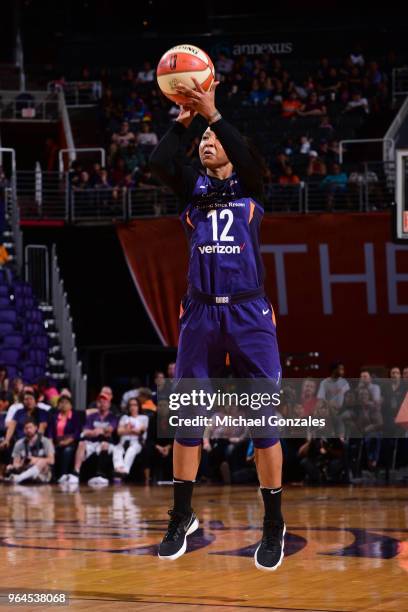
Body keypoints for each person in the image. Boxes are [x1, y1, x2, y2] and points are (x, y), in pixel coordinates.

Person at [150, 78, 285, 570]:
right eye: (203, 143)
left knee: (264, 425)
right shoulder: (193, 187)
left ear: (231, 148)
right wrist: (186, 122)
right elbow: (160, 163)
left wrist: (214, 115)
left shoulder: (250, 184)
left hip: (249, 313)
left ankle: (274, 523)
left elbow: (248, 162)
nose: (208, 143)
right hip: (201, 313)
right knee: (187, 419)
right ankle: (181, 515)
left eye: (214, 140)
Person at [68, 396, 117, 486]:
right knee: (81, 443)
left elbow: (110, 430)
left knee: (104, 444)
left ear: (109, 404)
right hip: (91, 442)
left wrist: (98, 431)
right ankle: (76, 473)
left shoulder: (112, 417)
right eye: (100, 402)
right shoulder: (92, 416)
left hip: (106, 442)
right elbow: (85, 431)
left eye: (104, 402)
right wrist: (98, 431)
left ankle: (100, 474)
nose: (102, 404)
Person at [5, 418, 54, 484]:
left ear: (36, 428)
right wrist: (22, 464)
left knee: (42, 462)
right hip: (25, 469)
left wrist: (35, 460)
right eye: (26, 428)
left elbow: (52, 460)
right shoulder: (19, 443)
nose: (28, 430)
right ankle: (23, 477)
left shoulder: (45, 441)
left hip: (43, 472)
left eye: (30, 427)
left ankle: (19, 478)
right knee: (9, 466)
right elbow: (15, 463)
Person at [113, 397, 149, 478]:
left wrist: (126, 429)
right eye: (130, 405)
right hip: (123, 442)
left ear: (138, 406)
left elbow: (140, 431)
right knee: (116, 449)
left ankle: (125, 470)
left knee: (131, 450)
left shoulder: (144, 418)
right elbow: (119, 432)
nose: (132, 407)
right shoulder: (124, 418)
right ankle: (118, 468)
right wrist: (132, 430)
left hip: (136, 442)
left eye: (135, 405)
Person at [49, 396, 82, 483]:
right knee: (51, 451)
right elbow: (50, 432)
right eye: (61, 402)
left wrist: (67, 441)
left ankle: (63, 474)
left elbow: (77, 432)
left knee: (67, 451)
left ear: (71, 405)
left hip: (70, 442)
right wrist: (51, 443)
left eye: (66, 403)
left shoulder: (75, 417)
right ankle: (52, 476)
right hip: (57, 442)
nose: (63, 405)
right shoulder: (54, 417)